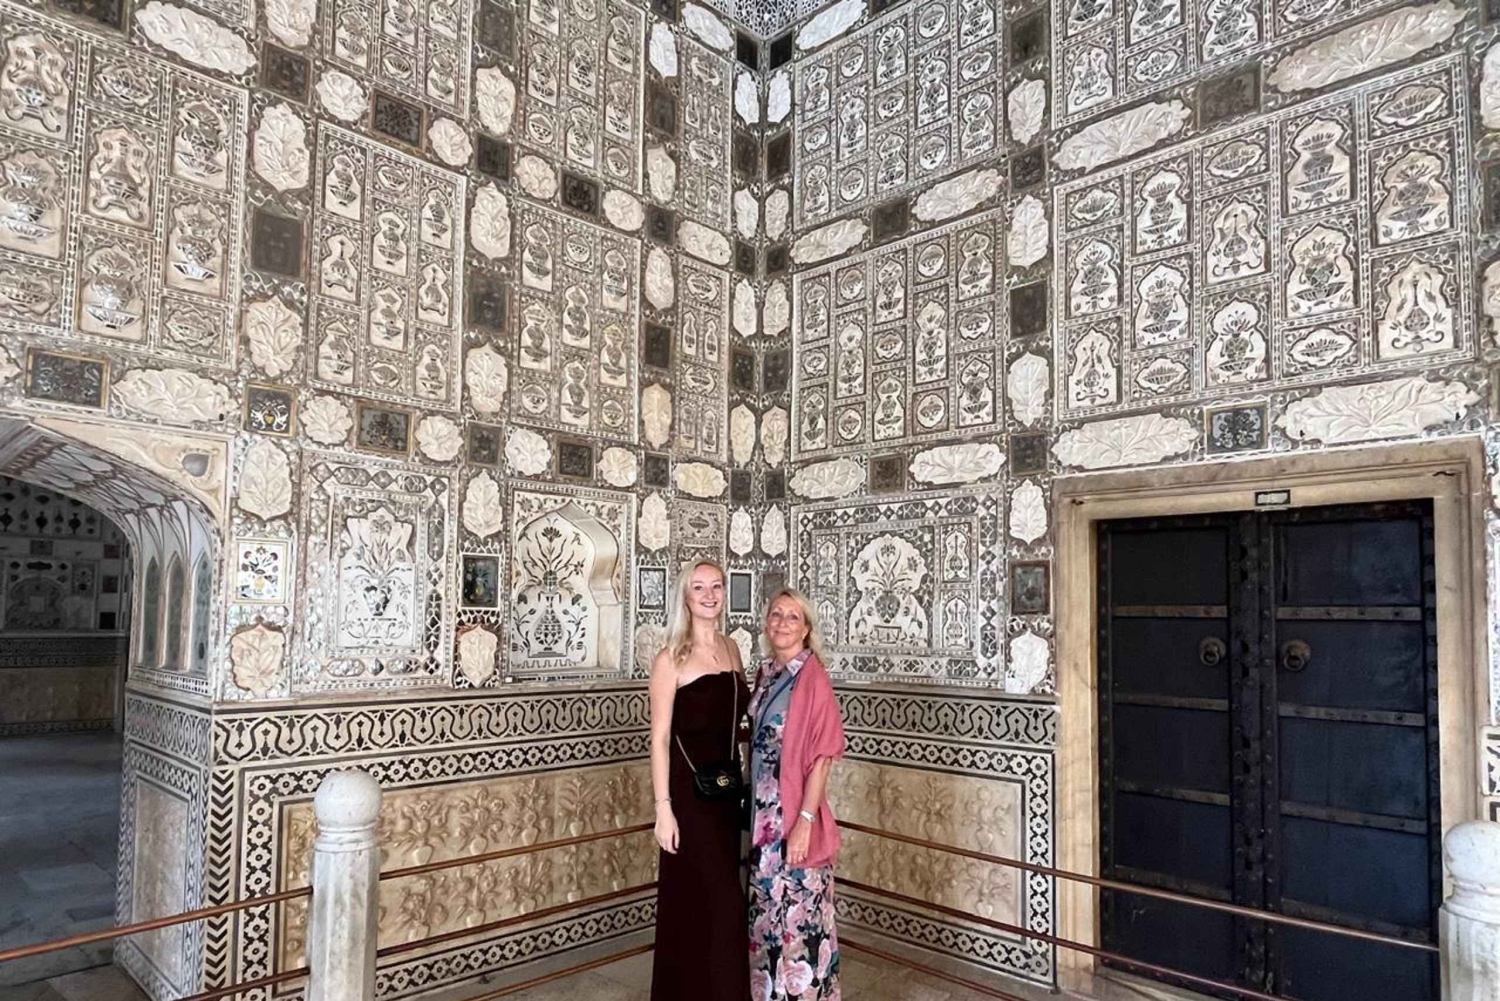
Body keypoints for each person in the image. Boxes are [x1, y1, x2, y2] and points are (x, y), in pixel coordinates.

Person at [649, 560, 752, 1001]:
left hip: (727, 795)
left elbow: (739, 722)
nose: (709, 595)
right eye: (699, 588)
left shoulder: (732, 648)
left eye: (716, 587)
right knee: (721, 906)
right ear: (686, 598)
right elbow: (659, 739)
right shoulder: (670, 658)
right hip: (689, 801)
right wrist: (663, 810)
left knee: (718, 906)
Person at [747, 588, 846, 1001]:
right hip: (763, 819)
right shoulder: (768, 672)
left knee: (799, 920)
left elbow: (823, 756)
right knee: (767, 918)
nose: (782, 623)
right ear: (766, 623)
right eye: (776, 614)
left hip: (792, 816)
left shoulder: (812, 677)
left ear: (806, 628)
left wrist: (804, 822)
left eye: (793, 617)